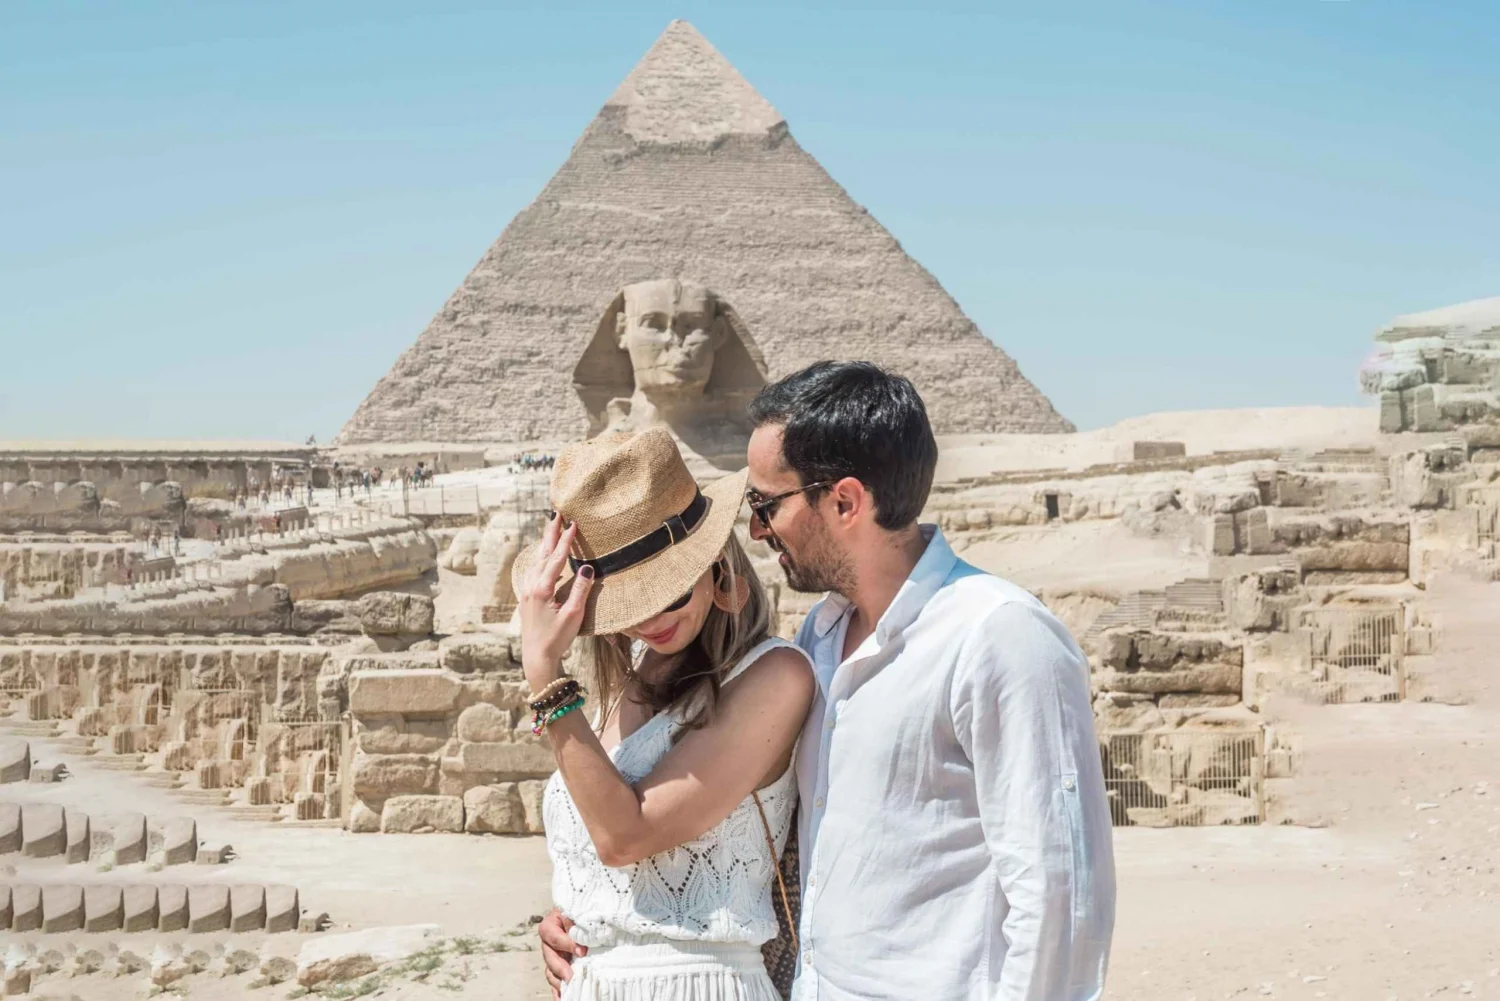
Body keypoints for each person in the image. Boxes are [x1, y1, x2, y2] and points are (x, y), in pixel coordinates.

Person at [542, 361, 1116, 1000]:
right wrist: (598, 924)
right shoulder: (818, 638)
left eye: (765, 504)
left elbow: (1061, 894)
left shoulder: (999, 637)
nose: (754, 529)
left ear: (844, 500)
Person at [517, 427, 815, 1001]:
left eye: (670, 590)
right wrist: (574, 921)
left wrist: (545, 677)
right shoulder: (619, 683)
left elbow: (625, 836)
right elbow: (603, 864)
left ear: (714, 565)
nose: (649, 619)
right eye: (626, 603)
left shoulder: (775, 676)